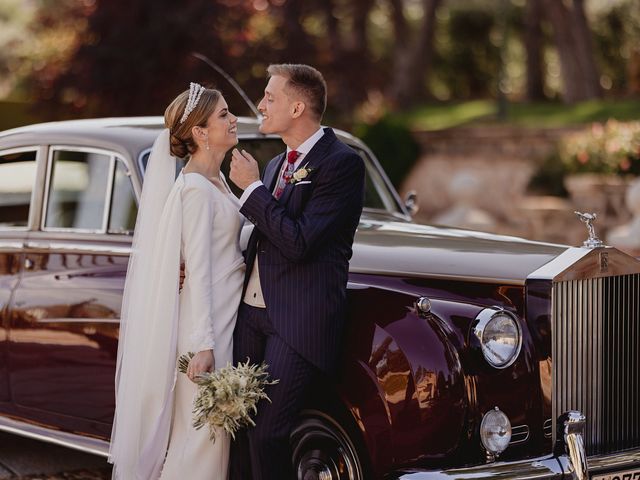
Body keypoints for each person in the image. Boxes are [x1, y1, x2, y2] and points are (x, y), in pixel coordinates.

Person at [229, 64, 365, 479]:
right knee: (237, 425)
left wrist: (251, 190)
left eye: (270, 97)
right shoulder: (274, 167)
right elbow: (265, 240)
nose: (261, 104)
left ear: (298, 106)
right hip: (251, 316)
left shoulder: (342, 164)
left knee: (270, 433)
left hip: (298, 323)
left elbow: (300, 242)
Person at [108, 83, 245, 479]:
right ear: (200, 133)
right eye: (223, 114)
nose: (233, 119)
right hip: (206, 331)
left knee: (206, 439)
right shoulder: (196, 191)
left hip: (223, 319)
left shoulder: (216, 183)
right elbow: (199, 270)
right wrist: (204, 345)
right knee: (201, 442)